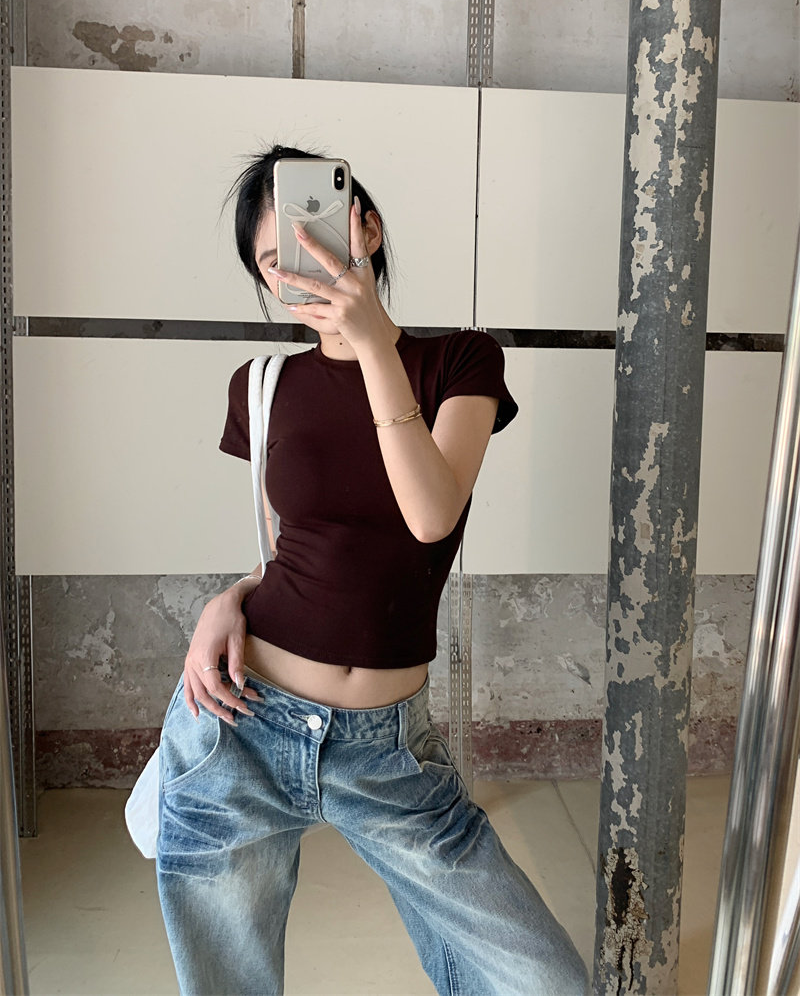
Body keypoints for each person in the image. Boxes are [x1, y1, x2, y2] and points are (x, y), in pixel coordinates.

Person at [156, 145, 589, 996]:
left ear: (367, 230)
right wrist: (231, 596)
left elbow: (430, 515)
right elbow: (293, 551)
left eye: (313, 241)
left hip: (386, 750)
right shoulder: (262, 385)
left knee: (546, 982)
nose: (298, 273)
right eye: (273, 262)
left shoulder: (460, 362)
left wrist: (370, 344)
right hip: (240, 725)